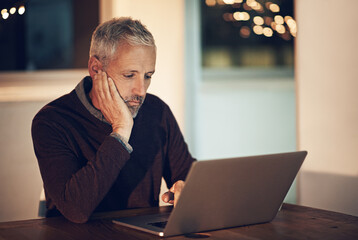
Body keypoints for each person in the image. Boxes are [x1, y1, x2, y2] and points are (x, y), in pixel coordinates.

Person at [31, 17, 195, 223]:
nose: (141, 90)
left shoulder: (157, 111)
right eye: (129, 75)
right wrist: (121, 131)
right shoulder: (52, 121)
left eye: (148, 75)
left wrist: (186, 188)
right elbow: (75, 209)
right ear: (96, 69)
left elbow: (188, 177)